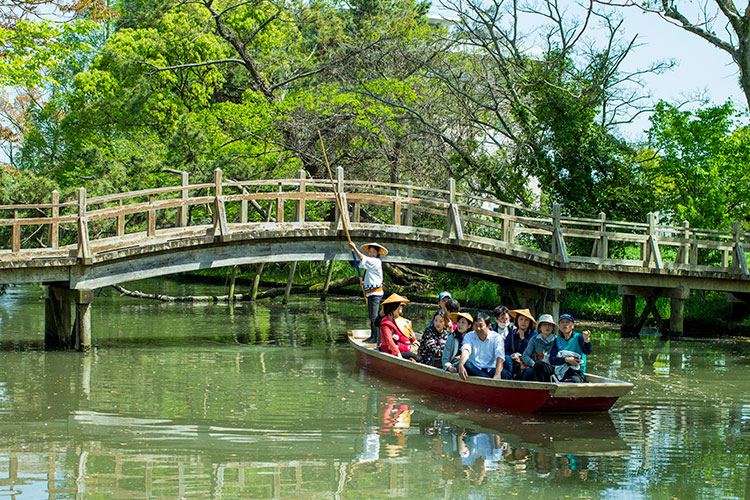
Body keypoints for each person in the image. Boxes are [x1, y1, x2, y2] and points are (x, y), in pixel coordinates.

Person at [349, 241, 387, 343]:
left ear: (377, 254)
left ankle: (376, 337)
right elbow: (370, 275)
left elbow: (362, 258)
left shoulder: (376, 261)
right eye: (370, 252)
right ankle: (372, 335)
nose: (371, 254)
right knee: (371, 316)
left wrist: (354, 248)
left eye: (373, 252)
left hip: (375, 293)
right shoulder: (371, 263)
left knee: (374, 316)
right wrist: (364, 283)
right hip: (370, 292)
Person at [458, 312, 506, 380]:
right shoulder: (469, 336)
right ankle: (488, 381)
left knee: (504, 372)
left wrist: (497, 374)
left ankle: (486, 379)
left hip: (491, 368)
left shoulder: (496, 337)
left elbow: (500, 355)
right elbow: (466, 349)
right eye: (476, 326)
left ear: (488, 326)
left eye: (481, 326)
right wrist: (461, 364)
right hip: (475, 368)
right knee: (466, 364)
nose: (478, 329)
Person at [549, 313, 592, 383]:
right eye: (562, 322)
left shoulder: (579, 337)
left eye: (567, 322)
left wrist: (587, 341)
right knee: (540, 365)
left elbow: (587, 351)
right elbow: (552, 360)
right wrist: (566, 360)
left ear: (572, 326)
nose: (565, 324)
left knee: (574, 380)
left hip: (575, 372)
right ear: (559, 326)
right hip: (560, 370)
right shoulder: (557, 340)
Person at [379, 293, 421, 362]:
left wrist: (413, 339)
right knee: (415, 357)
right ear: (393, 307)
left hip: (399, 346)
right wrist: (398, 354)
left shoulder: (395, 320)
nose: (401, 308)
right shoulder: (386, 323)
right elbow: (389, 341)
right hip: (390, 350)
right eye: (400, 306)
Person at [520, 314, 557, 382]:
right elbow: (525, 355)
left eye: (549, 325)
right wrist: (533, 364)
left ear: (552, 327)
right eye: (544, 324)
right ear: (540, 327)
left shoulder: (557, 340)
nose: (547, 327)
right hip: (536, 366)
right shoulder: (534, 339)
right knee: (528, 372)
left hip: (551, 368)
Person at [505, 309, 537, 379]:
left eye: (526, 320)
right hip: (513, 362)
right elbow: (505, 349)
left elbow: (531, 351)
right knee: (506, 359)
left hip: (526, 363)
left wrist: (523, 338)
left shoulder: (533, 334)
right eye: (521, 319)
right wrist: (511, 356)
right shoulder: (512, 333)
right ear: (517, 320)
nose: (523, 322)